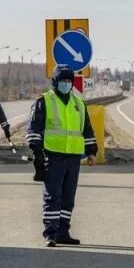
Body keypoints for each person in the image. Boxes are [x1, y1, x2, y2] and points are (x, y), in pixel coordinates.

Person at [26, 64, 98, 247]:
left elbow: (87, 129)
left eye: (69, 81)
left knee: (68, 196)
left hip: (74, 157)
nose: (66, 84)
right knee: (52, 196)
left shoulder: (79, 103)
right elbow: (33, 129)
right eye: (63, 80)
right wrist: (37, 152)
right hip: (53, 156)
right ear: (55, 82)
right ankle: (50, 233)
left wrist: (91, 152)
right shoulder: (44, 101)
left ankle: (63, 232)